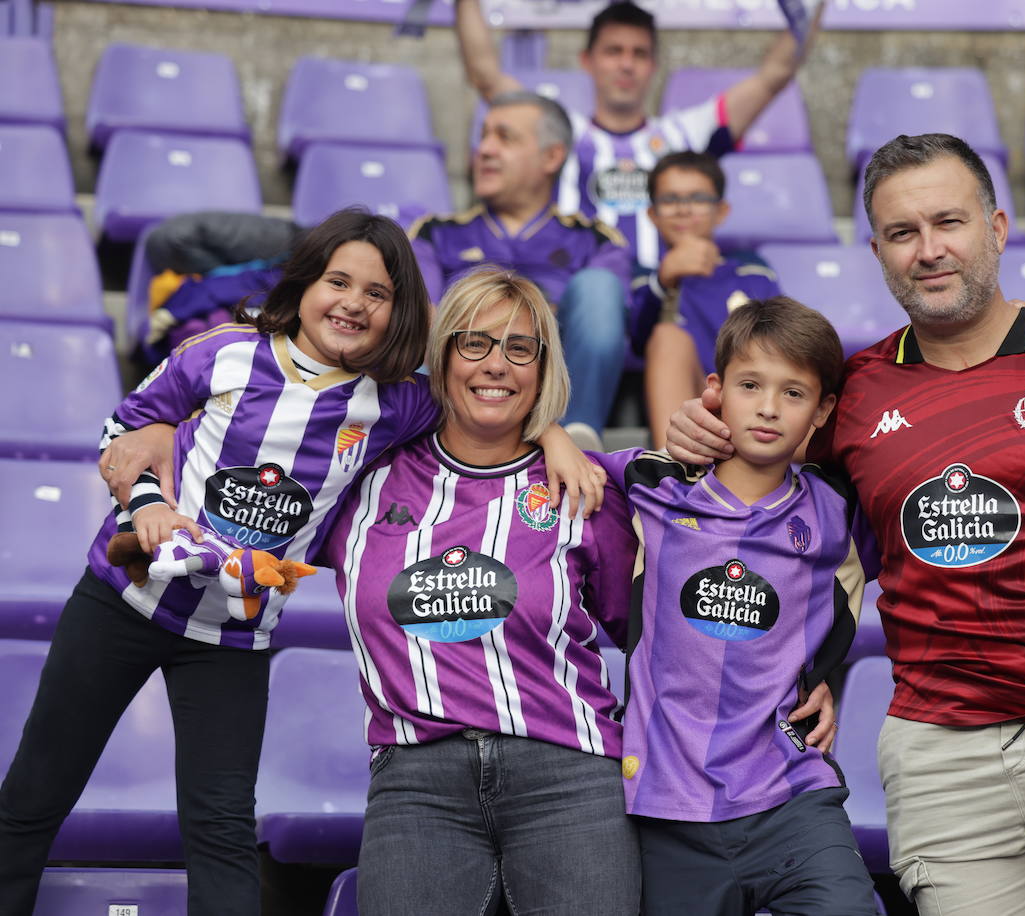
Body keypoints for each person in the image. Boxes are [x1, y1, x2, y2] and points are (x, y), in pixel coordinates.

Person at [668, 133, 1025, 914]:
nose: (929, 250)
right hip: (942, 755)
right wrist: (699, 429)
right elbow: (769, 528)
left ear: (996, 227)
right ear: (878, 250)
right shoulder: (850, 394)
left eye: (948, 223)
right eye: (903, 233)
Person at [0, 209, 438, 916]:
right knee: (32, 795)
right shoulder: (225, 352)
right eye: (338, 281)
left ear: (399, 314)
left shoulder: (399, 402)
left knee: (221, 827)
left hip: (232, 638)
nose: (354, 302)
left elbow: (492, 402)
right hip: (122, 605)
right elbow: (126, 426)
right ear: (304, 284)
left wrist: (559, 438)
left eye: (378, 293)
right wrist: (146, 504)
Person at [320, 267, 644, 915]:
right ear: (439, 359)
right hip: (416, 783)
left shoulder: (585, 486)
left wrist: (814, 673)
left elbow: (648, 634)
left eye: (520, 348)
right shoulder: (360, 477)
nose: (497, 364)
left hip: (570, 777)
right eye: (474, 342)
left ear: (543, 368)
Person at [600, 297, 874, 914]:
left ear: (824, 408)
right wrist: (559, 438)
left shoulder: (840, 509)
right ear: (716, 390)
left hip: (792, 798)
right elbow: (536, 458)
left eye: (795, 393)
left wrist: (824, 674)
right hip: (668, 807)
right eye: (751, 385)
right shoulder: (650, 485)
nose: (770, 408)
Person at [454, 0, 814, 267]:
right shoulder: (557, 127)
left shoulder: (685, 133)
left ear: (653, 65)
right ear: (587, 60)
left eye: (639, 53)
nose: (626, 64)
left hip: (664, 299)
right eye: (614, 51)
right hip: (576, 293)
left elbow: (775, 75)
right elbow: (486, 75)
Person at [411, 91, 631, 446]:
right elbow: (423, 318)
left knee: (599, 287)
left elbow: (603, 332)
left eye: (505, 137)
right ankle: (426, 439)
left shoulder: (597, 240)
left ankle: (576, 437)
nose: (484, 149)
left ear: (552, 156)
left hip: (555, 389)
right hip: (460, 385)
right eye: (482, 136)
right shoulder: (435, 233)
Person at [638, 151, 782, 447]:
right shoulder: (641, 276)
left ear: (722, 211)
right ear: (652, 214)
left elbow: (779, 340)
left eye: (698, 198)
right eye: (669, 200)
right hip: (687, 400)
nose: (683, 210)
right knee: (667, 336)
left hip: (752, 395)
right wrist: (664, 279)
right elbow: (634, 341)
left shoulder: (750, 268)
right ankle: (672, 470)